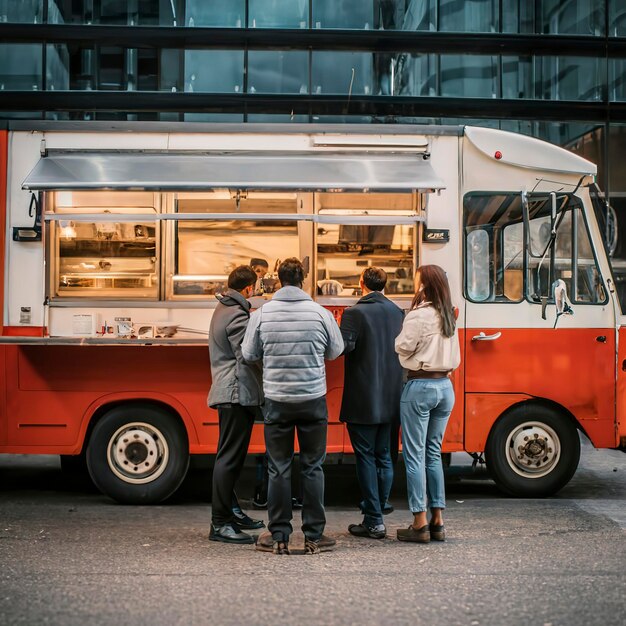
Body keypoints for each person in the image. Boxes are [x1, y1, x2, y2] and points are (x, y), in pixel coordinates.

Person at [242, 258, 344, 555]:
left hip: (277, 400)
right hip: (312, 399)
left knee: (279, 468)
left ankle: (279, 536)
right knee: (313, 467)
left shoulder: (262, 314)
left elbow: (249, 354)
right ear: (304, 280)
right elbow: (336, 351)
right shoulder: (320, 313)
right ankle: (314, 535)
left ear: (279, 280)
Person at [394, 265, 461, 543]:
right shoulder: (448, 314)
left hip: (420, 386)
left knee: (414, 455)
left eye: (417, 280)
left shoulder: (419, 315)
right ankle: (438, 521)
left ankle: (419, 523)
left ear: (425, 284)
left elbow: (402, 346)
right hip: (445, 387)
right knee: (433, 454)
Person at [340, 267, 404, 539]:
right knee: (385, 455)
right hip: (392, 398)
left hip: (363, 399)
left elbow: (342, 347)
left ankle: (374, 519)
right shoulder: (397, 313)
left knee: (365, 457)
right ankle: (380, 506)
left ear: (361, 283)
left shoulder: (354, 313)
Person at [208, 265, 266, 544]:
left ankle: (231, 512)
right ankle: (220, 524)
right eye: (254, 288)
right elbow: (247, 353)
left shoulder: (225, 307)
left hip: (232, 391)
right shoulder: (235, 314)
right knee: (229, 458)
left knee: (229, 456)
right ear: (248, 289)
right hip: (235, 392)